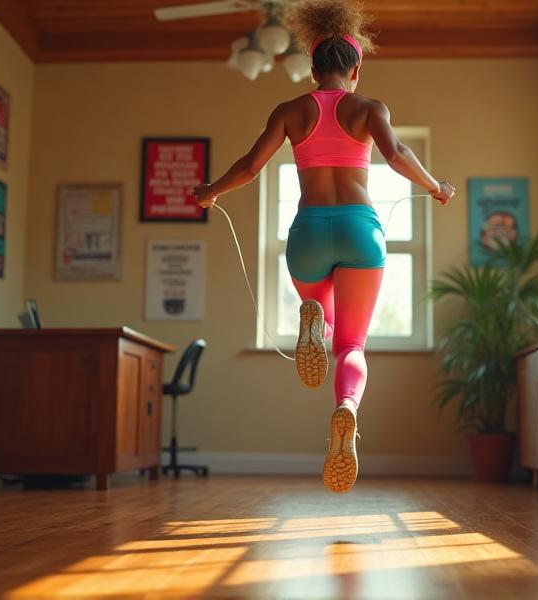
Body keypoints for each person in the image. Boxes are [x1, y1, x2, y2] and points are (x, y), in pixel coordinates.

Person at [194, 0, 455, 493]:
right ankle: (346, 408)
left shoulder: (291, 111)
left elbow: (251, 167)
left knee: (324, 316)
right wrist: (436, 187)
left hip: (308, 231)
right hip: (362, 230)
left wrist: (210, 191)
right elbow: (398, 155)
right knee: (352, 345)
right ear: (356, 70)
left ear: (312, 69)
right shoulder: (370, 108)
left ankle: (313, 316)